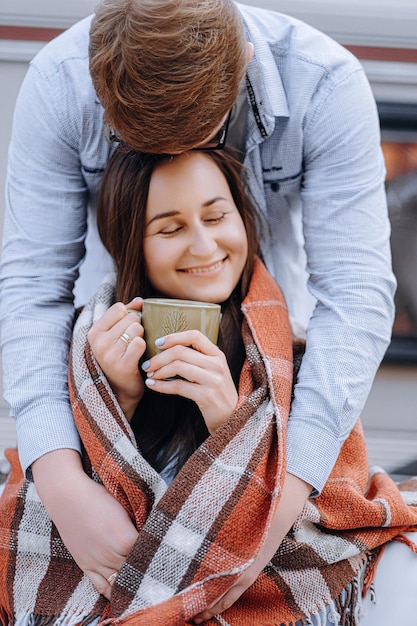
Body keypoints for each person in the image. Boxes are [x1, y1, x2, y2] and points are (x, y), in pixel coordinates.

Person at [0, 0, 396, 613]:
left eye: (216, 212)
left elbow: (357, 292)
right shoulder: (58, 84)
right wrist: (61, 481)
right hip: (115, 373)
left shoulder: (325, 83)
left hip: (272, 374)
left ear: (240, 68)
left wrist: (274, 506)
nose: (203, 245)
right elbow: (31, 284)